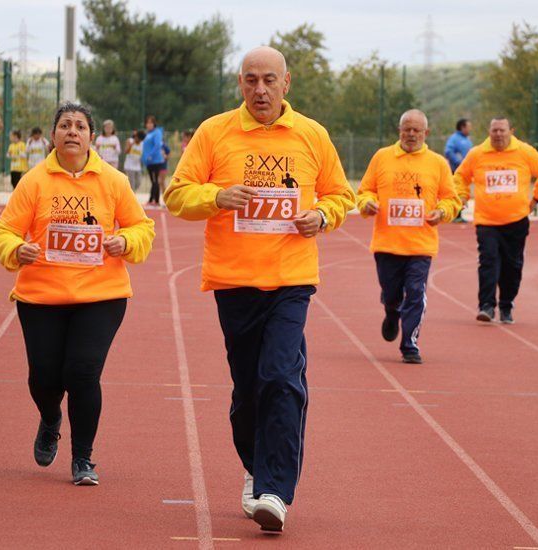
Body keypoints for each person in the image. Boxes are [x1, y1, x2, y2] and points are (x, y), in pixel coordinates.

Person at [165, 46, 355, 533]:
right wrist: (216, 196)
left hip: (291, 280)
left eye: (269, 80)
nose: (260, 89)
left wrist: (321, 216)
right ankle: (256, 467)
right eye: (251, 80)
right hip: (233, 281)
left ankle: (275, 490)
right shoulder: (215, 132)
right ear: (239, 84)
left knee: (282, 378)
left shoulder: (312, 135)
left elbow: (340, 195)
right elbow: (176, 195)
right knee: (248, 389)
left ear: (286, 83)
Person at [0, 102, 155, 486]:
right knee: (44, 377)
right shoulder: (34, 181)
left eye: (80, 126)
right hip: (41, 296)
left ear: (92, 137)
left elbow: (143, 229)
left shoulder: (113, 181)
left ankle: (83, 459)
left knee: (82, 372)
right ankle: (50, 417)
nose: (72, 132)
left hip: (101, 295)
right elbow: (2, 232)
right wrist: (16, 249)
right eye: (65, 125)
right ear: (53, 135)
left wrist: (124, 240)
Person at [356, 109, 461, 364]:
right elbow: (365, 190)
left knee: (415, 292)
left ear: (426, 133)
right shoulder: (382, 157)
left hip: (420, 244)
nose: (411, 134)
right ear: (399, 130)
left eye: (416, 130)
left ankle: (409, 344)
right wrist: (368, 203)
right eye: (407, 129)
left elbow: (451, 199)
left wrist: (443, 212)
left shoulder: (437, 163)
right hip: (387, 243)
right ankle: (391, 311)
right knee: (391, 293)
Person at [453, 116, 538, 324]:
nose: (498, 134)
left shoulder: (524, 152)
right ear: (489, 132)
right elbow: (460, 177)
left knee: (512, 266)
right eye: (494, 131)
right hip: (486, 221)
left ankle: (506, 304)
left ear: (511, 131)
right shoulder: (477, 154)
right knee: (488, 261)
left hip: (516, 220)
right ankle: (487, 306)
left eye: (502, 130)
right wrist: (462, 197)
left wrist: (535, 199)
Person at [445, 119, 472, 223]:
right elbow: (448, 151)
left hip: (466, 172)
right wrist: (459, 162)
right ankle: (455, 215)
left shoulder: (467, 139)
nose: (470, 129)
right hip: (456, 171)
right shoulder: (454, 139)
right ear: (462, 127)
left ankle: (460, 214)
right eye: (468, 126)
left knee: (462, 193)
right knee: (455, 192)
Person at [142, 115, 164, 207]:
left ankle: (154, 200)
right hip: (149, 162)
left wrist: (151, 155)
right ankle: (155, 200)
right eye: (147, 123)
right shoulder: (148, 133)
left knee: (155, 181)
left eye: (150, 123)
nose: (149, 124)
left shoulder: (157, 132)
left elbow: (157, 145)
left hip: (155, 161)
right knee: (153, 181)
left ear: (154, 124)